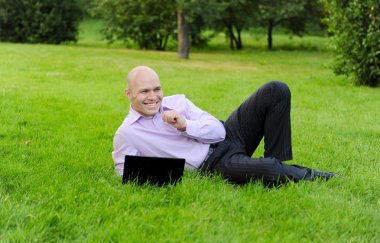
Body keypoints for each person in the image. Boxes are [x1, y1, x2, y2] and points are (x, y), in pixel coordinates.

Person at [112, 66, 336, 186]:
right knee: (267, 170)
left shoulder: (178, 102)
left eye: (156, 89)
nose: (153, 97)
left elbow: (218, 131)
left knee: (275, 90)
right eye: (144, 91)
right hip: (214, 164)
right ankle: (316, 176)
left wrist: (185, 125)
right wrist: (172, 172)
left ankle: (278, 162)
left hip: (228, 135)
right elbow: (124, 172)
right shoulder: (128, 132)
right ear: (129, 94)